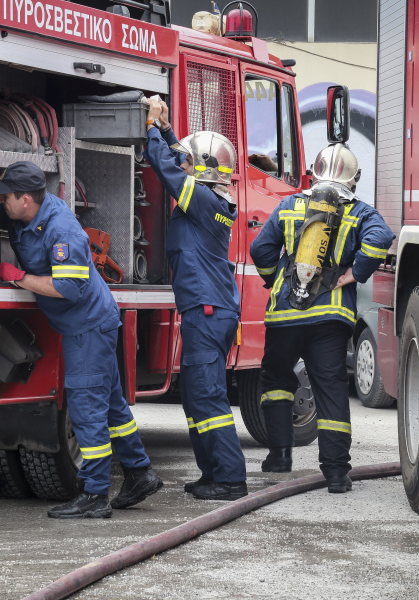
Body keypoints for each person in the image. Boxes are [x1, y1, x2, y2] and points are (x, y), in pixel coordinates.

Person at [0, 161, 163, 518]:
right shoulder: (32, 214)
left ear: (26, 199)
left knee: (87, 411)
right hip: (93, 325)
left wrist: (19, 278)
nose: (1, 202)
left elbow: (69, 288)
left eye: (6, 197)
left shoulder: (62, 231)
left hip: (87, 327)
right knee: (114, 408)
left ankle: (94, 495)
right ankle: (139, 473)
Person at [249, 143, 394, 493]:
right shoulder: (360, 212)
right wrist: (355, 272)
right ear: (354, 180)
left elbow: (260, 250)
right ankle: (335, 474)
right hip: (330, 318)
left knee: (276, 382)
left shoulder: (289, 205)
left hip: (284, 316)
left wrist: (277, 281)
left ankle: (280, 456)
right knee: (330, 391)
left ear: (314, 174)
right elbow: (382, 239)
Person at [142, 98, 248, 501]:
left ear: (202, 171)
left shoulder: (202, 200)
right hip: (206, 310)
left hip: (207, 310)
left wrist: (153, 127)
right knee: (196, 398)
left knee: (208, 398)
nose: (185, 163)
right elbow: (181, 162)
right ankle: (212, 473)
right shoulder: (213, 198)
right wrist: (169, 131)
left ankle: (231, 478)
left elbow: (168, 170)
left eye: (192, 161)